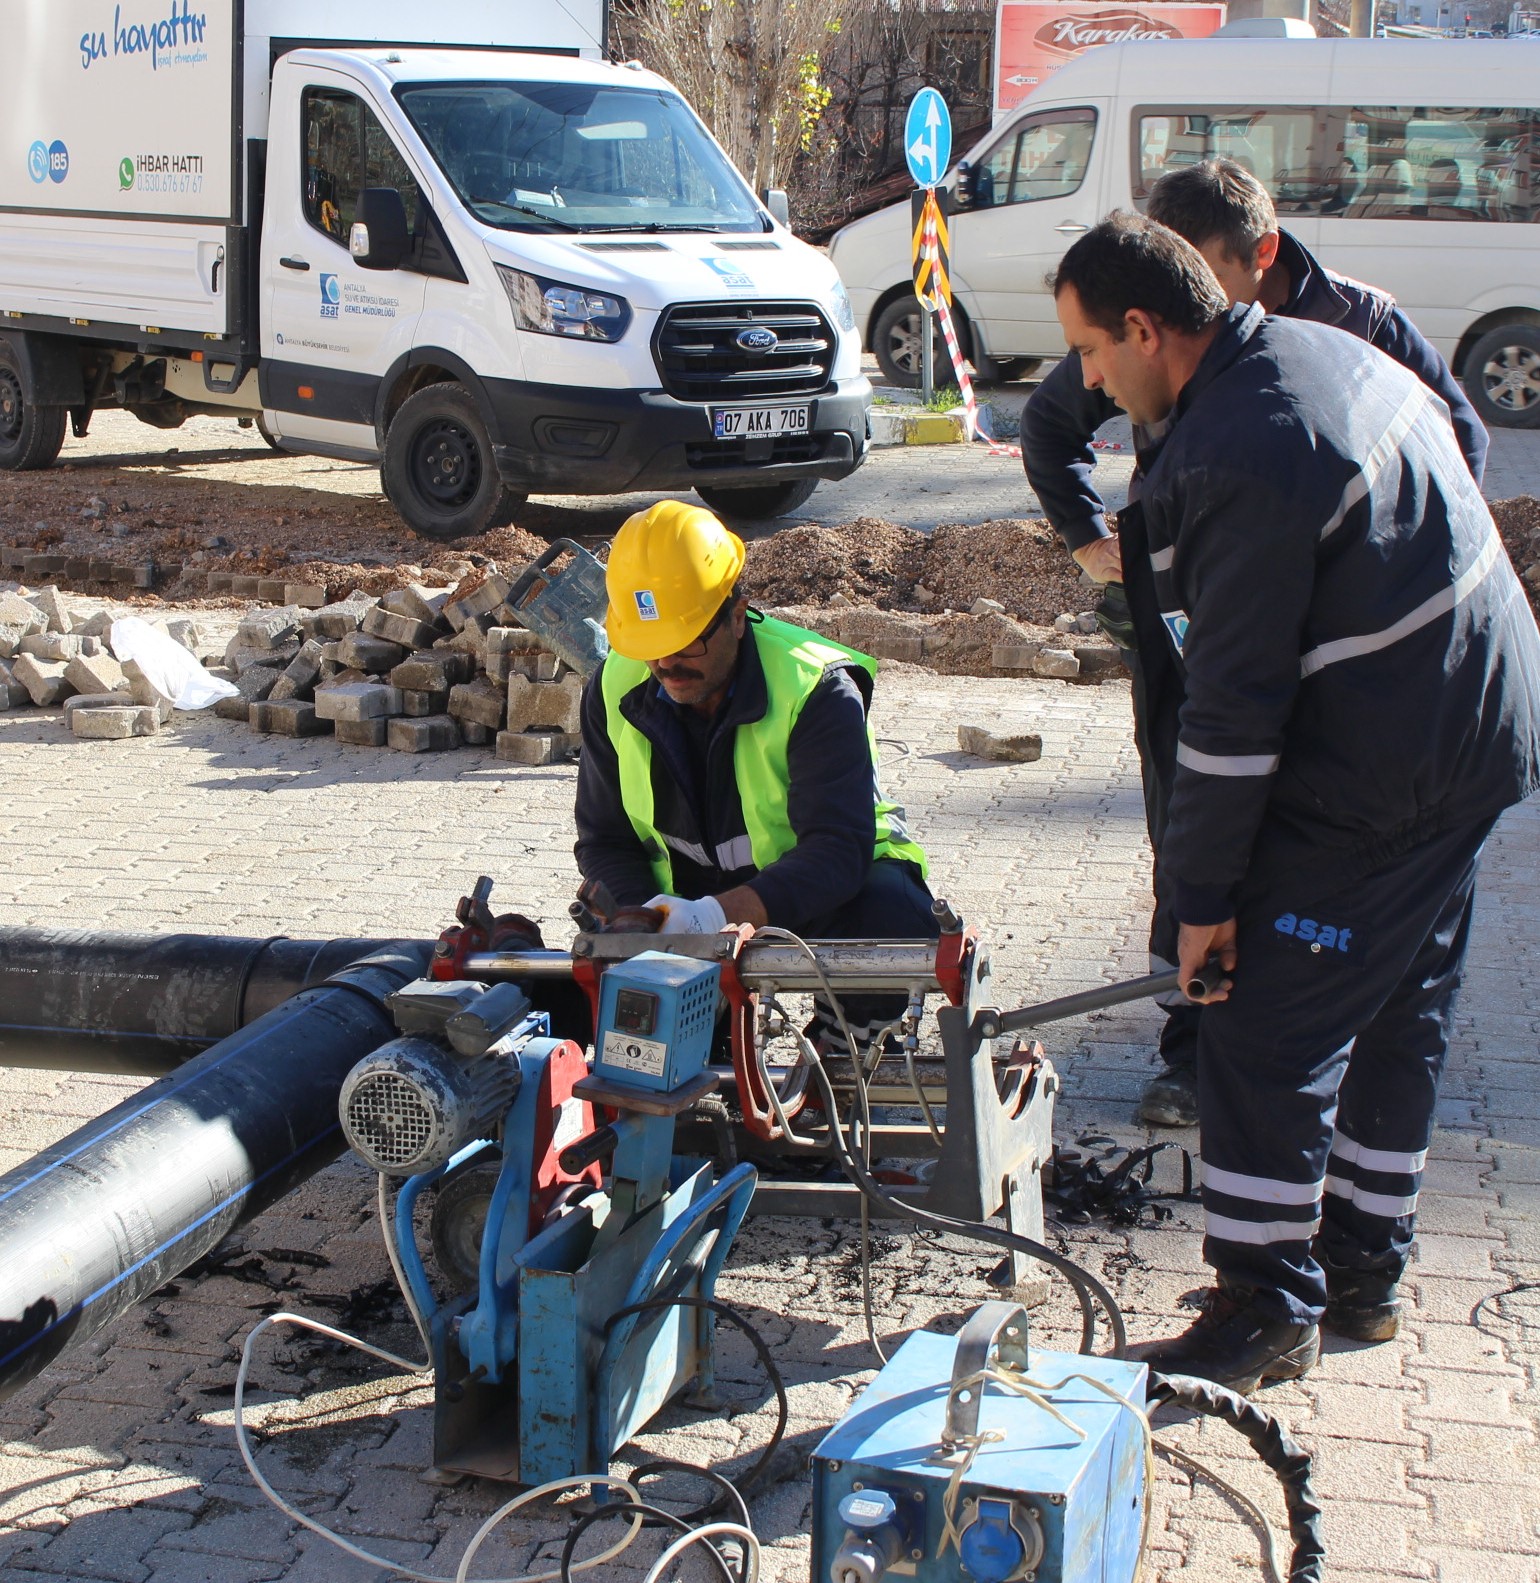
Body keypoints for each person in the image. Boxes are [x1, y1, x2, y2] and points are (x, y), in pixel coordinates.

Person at [1049, 212, 1540, 1393]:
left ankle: (1263, 1304)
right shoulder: (1321, 350)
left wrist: (1205, 902)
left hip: (1394, 757)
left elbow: (1232, 712)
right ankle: (1362, 1268)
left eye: (1089, 351)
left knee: (1263, 1024)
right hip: (1479, 722)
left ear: (1144, 327)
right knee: (1403, 994)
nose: (1085, 382)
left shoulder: (1237, 457)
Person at [1022, 158, 1489, 1129]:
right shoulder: (1139, 329)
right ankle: (1192, 1048)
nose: (1175, 294)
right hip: (1201, 631)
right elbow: (1049, 424)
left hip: (1349, 685)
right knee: (1196, 824)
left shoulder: (1359, 327)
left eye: (1198, 269)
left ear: (1260, 257)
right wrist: (1093, 547)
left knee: (1304, 862)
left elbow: (1458, 446)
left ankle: (1309, 1043)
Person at [574, 499, 938, 1045]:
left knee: (894, 920)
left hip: (809, 895)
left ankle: (845, 1047)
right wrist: (638, 918)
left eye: (688, 642)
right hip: (682, 903)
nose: (667, 665)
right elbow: (605, 840)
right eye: (651, 648)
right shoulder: (614, 686)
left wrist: (714, 919)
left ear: (737, 615)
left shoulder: (814, 688)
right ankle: (704, 1027)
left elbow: (837, 849)